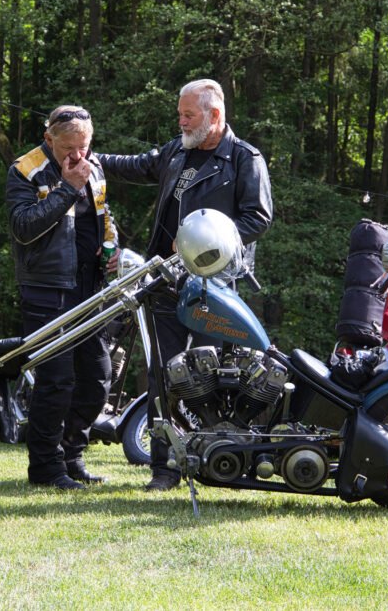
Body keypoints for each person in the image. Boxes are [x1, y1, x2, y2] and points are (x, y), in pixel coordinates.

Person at [97, 78, 274, 491]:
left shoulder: (244, 159)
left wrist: (203, 242)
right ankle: (166, 467)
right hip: (166, 281)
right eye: (179, 113)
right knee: (162, 374)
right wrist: (90, 159)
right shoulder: (177, 150)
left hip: (218, 286)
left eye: (188, 114)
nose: (180, 121)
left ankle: (228, 457)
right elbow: (135, 165)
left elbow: (258, 218)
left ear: (214, 116)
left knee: (225, 373)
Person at [5, 105, 118, 490]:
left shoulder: (94, 166)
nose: (77, 156)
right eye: (69, 148)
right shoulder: (25, 169)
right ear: (49, 138)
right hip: (47, 287)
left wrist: (111, 245)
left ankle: (72, 455)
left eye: (83, 147)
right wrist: (68, 187)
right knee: (55, 381)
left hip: (90, 285)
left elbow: (103, 215)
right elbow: (23, 228)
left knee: (98, 377)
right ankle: (45, 468)